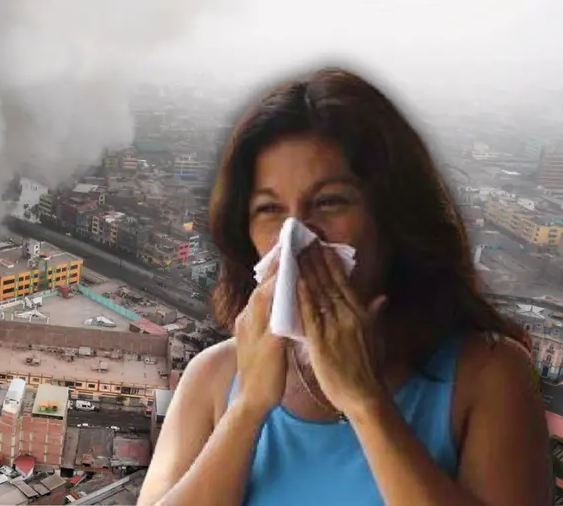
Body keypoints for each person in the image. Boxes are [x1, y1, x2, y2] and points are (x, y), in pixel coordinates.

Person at [138, 68, 550, 506]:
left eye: (329, 201)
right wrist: (247, 408)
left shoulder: (488, 376)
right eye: (269, 209)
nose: (296, 236)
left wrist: (367, 404)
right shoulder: (213, 376)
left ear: (392, 216)